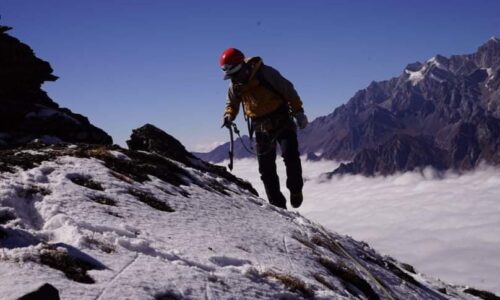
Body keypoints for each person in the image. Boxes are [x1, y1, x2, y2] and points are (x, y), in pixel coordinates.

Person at [219, 48, 308, 209]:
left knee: (290, 156)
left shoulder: (266, 74)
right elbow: (232, 104)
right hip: (260, 127)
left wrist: (299, 112)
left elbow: (288, 91)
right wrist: (228, 115)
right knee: (266, 170)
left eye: (234, 74)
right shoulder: (236, 85)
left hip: (282, 121)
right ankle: (278, 206)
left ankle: (295, 190)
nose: (233, 79)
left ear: (241, 67)